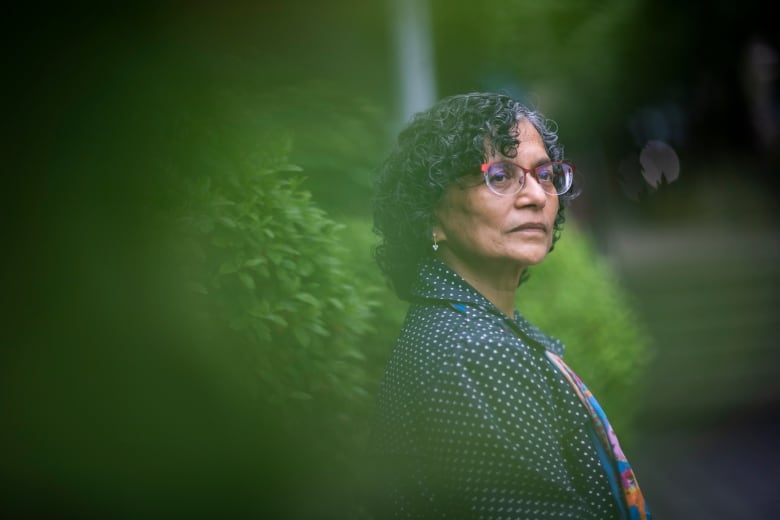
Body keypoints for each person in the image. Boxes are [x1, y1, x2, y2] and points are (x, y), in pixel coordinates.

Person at [370, 92, 650, 519]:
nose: (536, 195)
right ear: (430, 215)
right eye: (500, 175)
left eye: (545, 174)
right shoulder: (474, 352)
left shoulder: (461, 328)